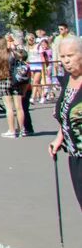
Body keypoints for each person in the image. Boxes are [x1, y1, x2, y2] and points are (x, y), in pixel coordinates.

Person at [48, 36, 82, 212]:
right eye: (62, 56)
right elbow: (66, 114)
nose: (66, 61)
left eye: (71, 55)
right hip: (75, 155)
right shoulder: (68, 80)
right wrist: (59, 137)